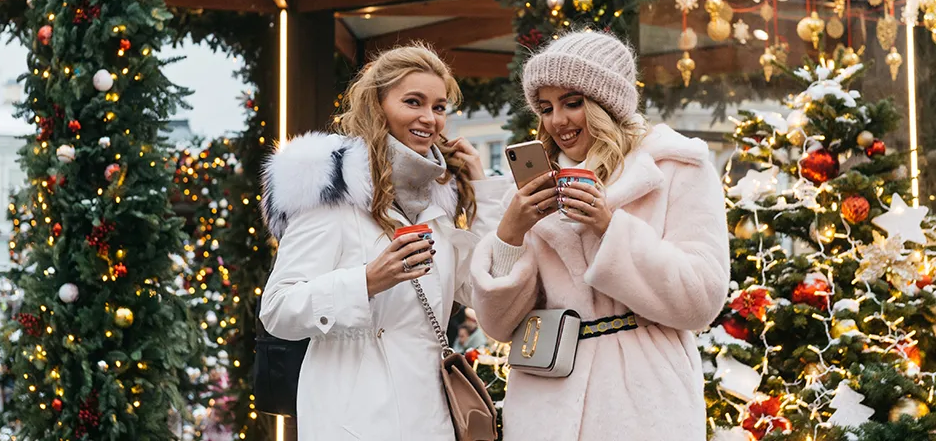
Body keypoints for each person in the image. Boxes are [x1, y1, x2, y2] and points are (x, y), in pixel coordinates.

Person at [469, 31, 730, 441]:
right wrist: (510, 234)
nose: (557, 121)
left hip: (645, 403)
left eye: (572, 102)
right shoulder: (527, 193)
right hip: (545, 403)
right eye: (546, 107)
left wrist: (610, 229)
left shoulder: (677, 168)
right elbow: (498, 326)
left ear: (606, 103)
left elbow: (702, 298)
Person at [259, 45, 501, 441]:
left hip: (431, 419)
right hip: (354, 421)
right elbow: (277, 309)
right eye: (413, 102)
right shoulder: (332, 196)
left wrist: (483, 186)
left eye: (439, 107)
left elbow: (480, 290)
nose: (429, 118)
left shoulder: (435, 204)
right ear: (377, 106)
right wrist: (366, 281)